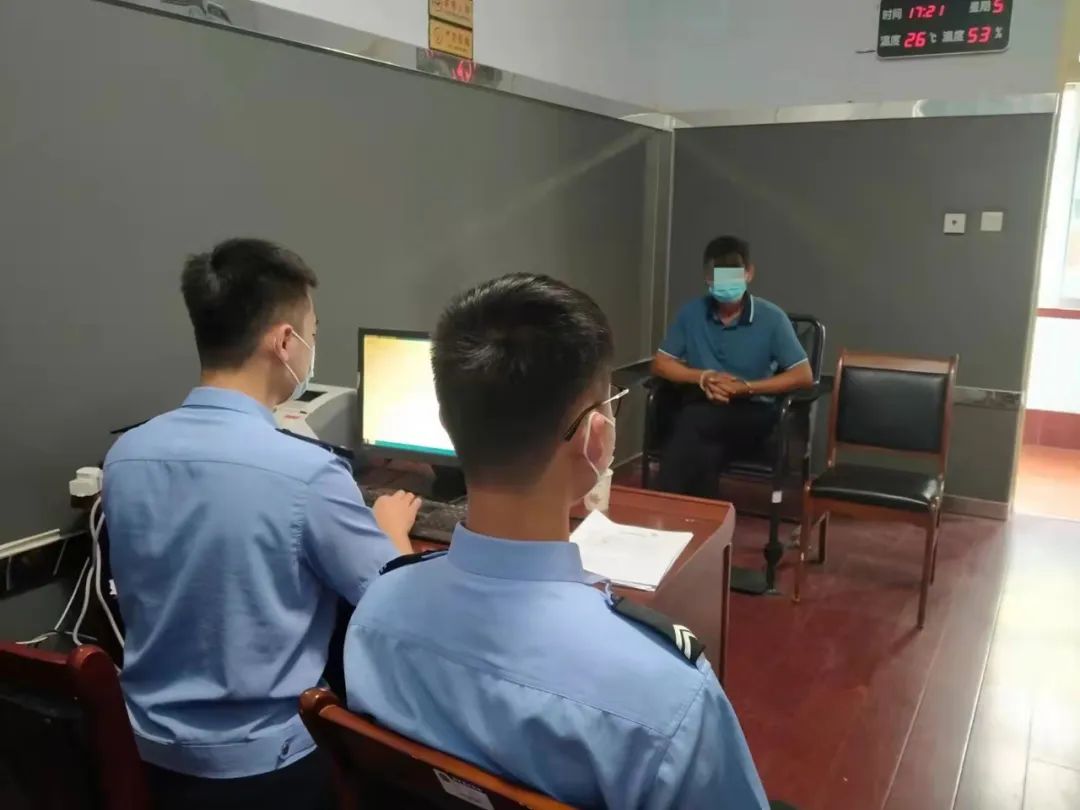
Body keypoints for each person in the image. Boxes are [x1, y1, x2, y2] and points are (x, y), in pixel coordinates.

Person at [344, 273, 768, 809]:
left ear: (446, 422)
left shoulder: (373, 616)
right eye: (611, 402)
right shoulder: (668, 697)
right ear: (596, 436)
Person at [103, 238, 418, 810]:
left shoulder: (125, 456)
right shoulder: (308, 473)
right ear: (284, 341)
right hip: (268, 769)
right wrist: (392, 531)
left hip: (146, 754)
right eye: (313, 333)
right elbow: (392, 605)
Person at [654, 235, 812, 499]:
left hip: (754, 410)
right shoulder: (691, 313)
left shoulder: (772, 318)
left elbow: (803, 374)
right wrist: (703, 377)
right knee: (706, 449)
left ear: (749, 273)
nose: (726, 284)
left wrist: (746, 387)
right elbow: (661, 363)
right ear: (708, 278)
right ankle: (701, 517)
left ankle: (662, 506)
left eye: (733, 275)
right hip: (706, 403)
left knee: (692, 421)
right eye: (719, 276)